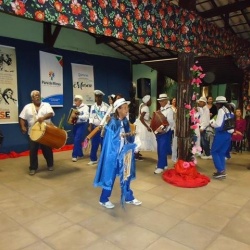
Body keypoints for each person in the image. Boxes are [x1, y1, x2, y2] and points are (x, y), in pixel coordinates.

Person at [94, 98, 142, 208]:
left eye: (127, 107)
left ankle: (128, 197)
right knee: (109, 176)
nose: (127, 109)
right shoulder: (112, 123)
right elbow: (110, 142)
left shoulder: (125, 121)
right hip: (113, 155)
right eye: (124, 108)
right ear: (118, 110)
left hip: (124, 154)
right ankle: (103, 199)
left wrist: (133, 140)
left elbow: (129, 137)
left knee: (126, 175)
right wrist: (120, 139)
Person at [19, 90, 54, 175]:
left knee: (47, 150)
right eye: (35, 96)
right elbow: (22, 118)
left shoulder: (46, 105)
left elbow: (51, 114)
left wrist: (43, 117)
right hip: (33, 132)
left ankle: (50, 164)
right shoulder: (27, 107)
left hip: (45, 132)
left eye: (38, 95)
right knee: (33, 150)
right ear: (32, 98)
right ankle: (33, 168)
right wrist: (23, 126)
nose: (37, 97)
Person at [210, 96, 234, 179]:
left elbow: (218, 124)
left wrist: (212, 124)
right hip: (228, 134)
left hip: (221, 134)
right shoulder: (230, 110)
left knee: (214, 151)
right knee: (221, 153)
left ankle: (220, 170)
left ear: (218, 103)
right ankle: (222, 171)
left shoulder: (221, 110)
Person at [87, 90, 109, 165]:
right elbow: (91, 117)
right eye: (97, 97)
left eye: (100, 97)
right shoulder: (93, 106)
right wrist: (90, 125)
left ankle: (103, 160)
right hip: (95, 128)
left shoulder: (106, 106)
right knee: (94, 144)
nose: (98, 98)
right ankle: (93, 159)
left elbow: (108, 118)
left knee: (103, 144)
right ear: (95, 98)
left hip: (103, 128)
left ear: (102, 97)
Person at [154, 93, 174, 174]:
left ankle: (160, 166)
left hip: (164, 132)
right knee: (161, 148)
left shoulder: (169, 110)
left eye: (161, 101)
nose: (160, 102)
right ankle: (164, 164)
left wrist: (164, 130)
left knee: (162, 149)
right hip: (160, 132)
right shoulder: (161, 109)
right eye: (159, 101)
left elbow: (170, 122)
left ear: (166, 101)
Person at [71, 95, 89, 162]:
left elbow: (86, 117)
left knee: (76, 139)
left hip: (82, 125)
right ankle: (80, 154)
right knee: (77, 140)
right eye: (74, 100)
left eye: (76, 100)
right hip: (75, 125)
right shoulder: (76, 108)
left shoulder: (85, 107)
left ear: (80, 101)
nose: (75, 102)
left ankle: (74, 155)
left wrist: (78, 116)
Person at [170, 97, 178, 163]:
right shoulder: (170, 108)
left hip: (176, 124)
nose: (174, 101)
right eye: (174, 100)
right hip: (171, 125)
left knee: (174, 141)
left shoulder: (177, 108)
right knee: (173, 141)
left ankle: (175, 155)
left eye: (175, 100)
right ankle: (173, 155)